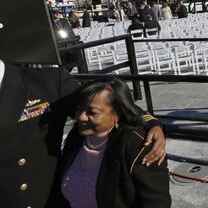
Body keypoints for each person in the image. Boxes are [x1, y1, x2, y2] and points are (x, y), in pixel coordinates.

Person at [0, 61, 166, 208]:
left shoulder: (46, 81)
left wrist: (151, 123)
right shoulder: (76, 138)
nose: (80, 116)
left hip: (46, 200)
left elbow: (102, 101)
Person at [56, 79, 171, 208]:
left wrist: (155, 124)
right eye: (79, 109)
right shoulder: (76, 136)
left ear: (117, 113)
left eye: (92, 112)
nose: (80, 117)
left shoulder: (137, 146)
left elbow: (156, 202)